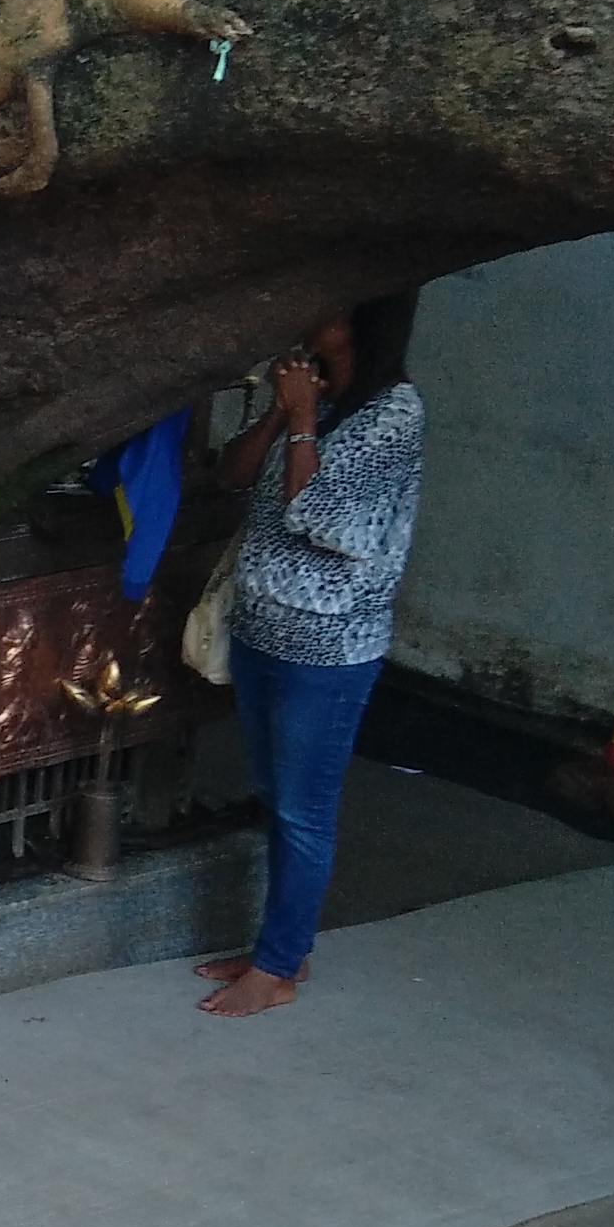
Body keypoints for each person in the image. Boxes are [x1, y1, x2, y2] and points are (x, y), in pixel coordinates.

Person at [201, 295, 426, 1020]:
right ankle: (280, 947)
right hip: (261, 632)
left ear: (364, 321)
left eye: (328, 305)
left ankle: (276, 969)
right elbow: (233, 474)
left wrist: (301, 420)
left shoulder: (394, 415)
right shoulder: (316, 397)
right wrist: (280, 413)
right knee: (276, 797)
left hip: (328, 650)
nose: (307, 313)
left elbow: (319, 514)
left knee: (304, 810)